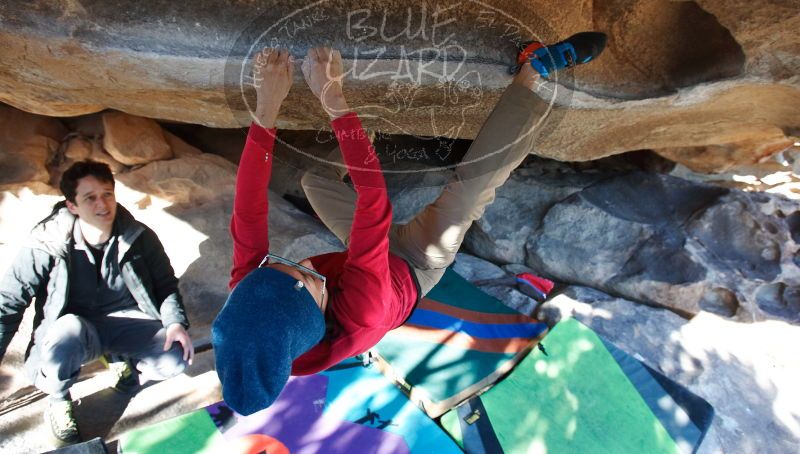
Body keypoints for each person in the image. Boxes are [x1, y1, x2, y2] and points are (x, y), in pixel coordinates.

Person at [212, 33, 606, 415]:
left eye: (288, 266)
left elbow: (248, 211)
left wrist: (265, 109)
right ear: (318, 314)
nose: (310, 269)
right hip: (415, 265)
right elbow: (373, 204)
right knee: (471, 191)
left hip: (360, 258)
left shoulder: (251, 306)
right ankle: (534, 76)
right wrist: (333, 99)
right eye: (312, 283)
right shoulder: (358, 315)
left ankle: (373, 133)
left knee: (313, 181)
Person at [0, 161, 194, 446]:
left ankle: (116, 357)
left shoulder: (138, 236)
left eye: (107, 194)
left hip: (125, 320)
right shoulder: (47, 242)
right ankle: (58, 399)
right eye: (89, 197)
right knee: (65, 337)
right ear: (72, 206)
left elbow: (165, 283)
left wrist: (175, 322)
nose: (102, 204)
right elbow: (9, 302)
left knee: (175, 356)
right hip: (74, 329)